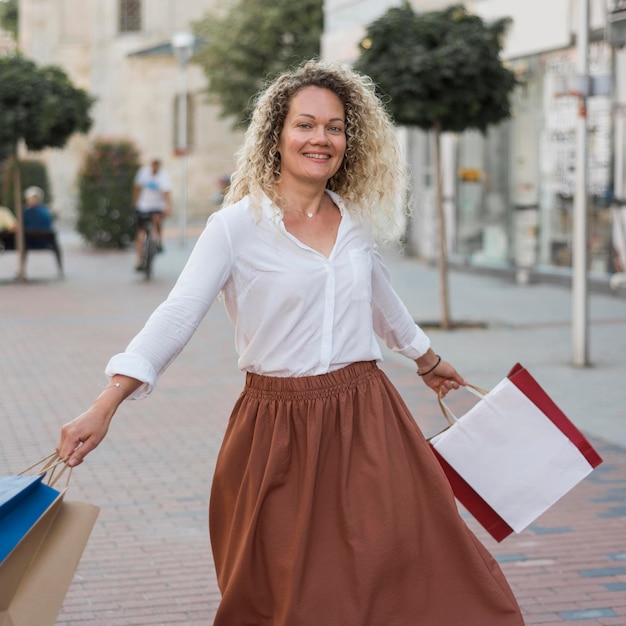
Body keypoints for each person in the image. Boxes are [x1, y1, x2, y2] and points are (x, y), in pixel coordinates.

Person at [57, 60, 524, 625]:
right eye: (306, 124)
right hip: (276, 428)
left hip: (369, 418)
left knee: (413, 567)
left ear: (349, 141)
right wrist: (107, 403)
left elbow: (383, 304)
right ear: (276, 134)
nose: (320, 138)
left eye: (335, 127)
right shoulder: (234, 227)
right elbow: (177, 315)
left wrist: (429, 361)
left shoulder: (353, 221)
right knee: (289, 592)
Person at [132, 158, 172, 270]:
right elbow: (136, 187)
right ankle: (139, 260)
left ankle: (159, 241)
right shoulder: (143, 173)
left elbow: (166, 192)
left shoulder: (163, 176)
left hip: (157, 206)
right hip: (143, 206)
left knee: (158, 222)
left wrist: (168, 207)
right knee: (140, 233)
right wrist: (135, 203)